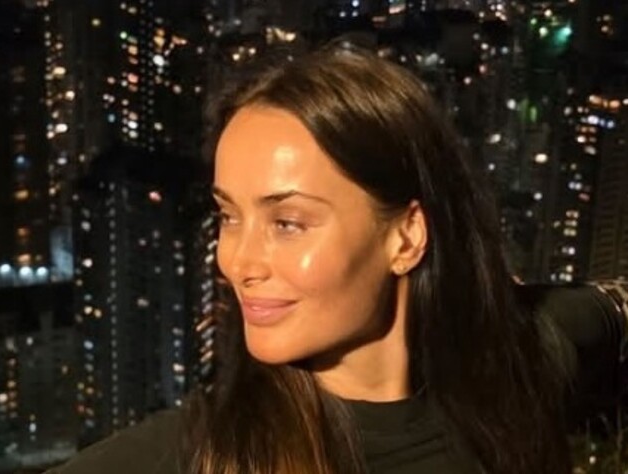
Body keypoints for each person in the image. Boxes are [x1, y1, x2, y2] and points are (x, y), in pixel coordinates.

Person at [48, 46, 627, 474]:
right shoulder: (198, 455)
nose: (237, 261)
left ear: (406, 238)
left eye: (287, 223)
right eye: (228, 215)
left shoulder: (525, 360)